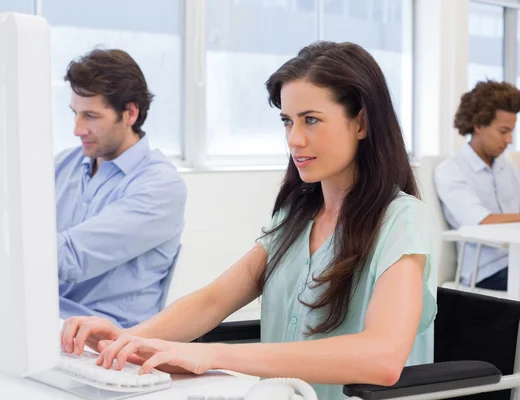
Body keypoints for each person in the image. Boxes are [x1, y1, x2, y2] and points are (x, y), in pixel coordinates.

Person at [60, 41, 437, 399]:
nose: (294, 139)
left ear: (361, 123)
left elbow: (382, 357)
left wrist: (215, 355)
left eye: (311, 120)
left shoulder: (402, 219)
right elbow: (213, 301)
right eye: (287, 121)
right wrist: (128, 339)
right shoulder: (296, 216)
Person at [55, 49, 186, 327]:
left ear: (130, 113)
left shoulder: (160, 186)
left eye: (90, 116)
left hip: (109, 343)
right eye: (75, 113)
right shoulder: (63, 165)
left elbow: (71, 258)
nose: (77, 129)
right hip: (50, 324)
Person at [435, 80, 520, 291]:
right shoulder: (451, 170)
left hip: (514, 261)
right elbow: (482, 222)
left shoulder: (504, 165)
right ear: (479, 126)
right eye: (503, 131)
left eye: (512, 131)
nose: (509, 139)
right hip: (487, 271)